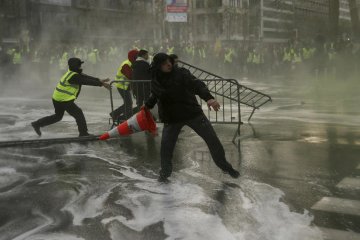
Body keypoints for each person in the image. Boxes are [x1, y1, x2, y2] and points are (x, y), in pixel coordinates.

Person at [145, 53, 240, 182]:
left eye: (169, 61)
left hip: (192, 113)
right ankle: (164, 174)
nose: (168, 64)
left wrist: (209, 98)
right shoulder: (156, 78)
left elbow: (197, 85)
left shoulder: (181, 73)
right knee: (166, 149)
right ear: (158, 66)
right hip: (171, 118)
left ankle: (225, 166)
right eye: (164, 63)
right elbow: (155, 95)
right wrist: (147, 106)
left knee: (212, 140)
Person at [31, 58, 110, 137]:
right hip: (63, 100)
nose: (81, 67)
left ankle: (37, 124)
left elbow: (85, 77)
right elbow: (86, 81)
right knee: (78, 113)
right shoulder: (73, 76)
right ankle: (83, 133)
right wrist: (101, 84)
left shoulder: (72, 73)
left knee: (58, 117)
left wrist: (99, 80)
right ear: (76, 66)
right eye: (79, 65)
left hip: (57, 98)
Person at [110, 49, 138, 122]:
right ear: (134, 57)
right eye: (137, 56)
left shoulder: (131, 63)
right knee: (128, 103)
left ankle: (115, 114)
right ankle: (117, 114)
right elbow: (130, 76)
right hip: (122, 86)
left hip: (124, 86)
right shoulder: (127, 64)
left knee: (128, 103)